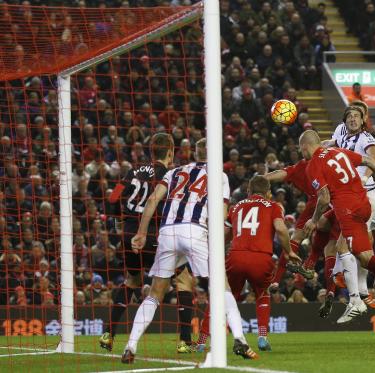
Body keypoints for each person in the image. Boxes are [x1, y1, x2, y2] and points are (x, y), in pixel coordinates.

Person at [121, 139, 256, 363]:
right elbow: (221, 215)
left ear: (195, 152)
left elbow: (153, 200)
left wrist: (142, 233)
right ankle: (240, 339)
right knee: (222, 287)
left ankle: (131, 345)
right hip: (195, 231)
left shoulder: (175, 172)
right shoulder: (219, 175)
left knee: (155, 294)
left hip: (167, 232)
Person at [300, 130, 375, 324]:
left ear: (305, 146)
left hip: (348, 211)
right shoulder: (338, 152)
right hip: (365, 203)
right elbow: (368, 161)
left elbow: (324, 198)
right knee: (368, 253)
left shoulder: (313, 165)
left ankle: (358, 300)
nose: (302, 153)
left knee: (357, 254)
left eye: (301, 149)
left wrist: (313, 220)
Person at [100, 133, 197, 353]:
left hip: (129, 235)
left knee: (132, 280)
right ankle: (184, 341)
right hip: (155, 236)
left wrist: (118, 222)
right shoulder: (171, 174)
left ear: (151, 151)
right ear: (170, 151)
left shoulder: (132, 171)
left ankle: (108, 334)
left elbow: (114, 197)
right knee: (182, 280)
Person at [197, 176, 301, 352]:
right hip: (261, 257)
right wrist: (289, 251)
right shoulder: (274, 206)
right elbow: (281, 229)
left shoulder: (236, 206)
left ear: (249, 191)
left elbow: (225, 234)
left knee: (222, 297)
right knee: (262, 294)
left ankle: (201, 340)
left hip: (236, 256)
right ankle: (262, 336)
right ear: (268, 193)